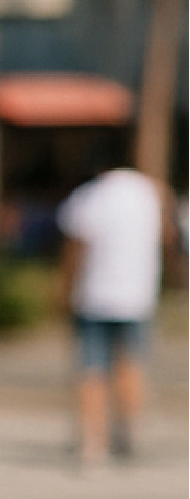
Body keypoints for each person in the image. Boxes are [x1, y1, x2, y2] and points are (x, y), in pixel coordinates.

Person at [57, 141, 165, 464]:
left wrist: (64, 288)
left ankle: (93, 442)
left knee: (92, 369)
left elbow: (77, 247)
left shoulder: (90, 196)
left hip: (95, 293)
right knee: (130, 365)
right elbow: (166, 237)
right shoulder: (150, 193)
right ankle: (128, 431)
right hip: (138, 293)